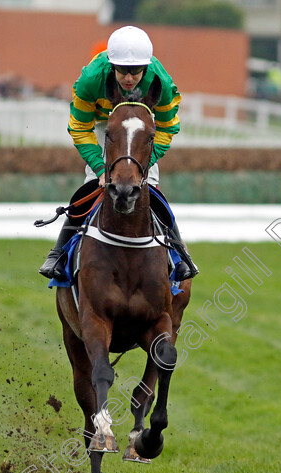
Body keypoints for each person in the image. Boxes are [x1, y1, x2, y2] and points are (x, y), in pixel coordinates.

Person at [39, 25, 199, 282]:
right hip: (107, 126)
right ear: (111, 64)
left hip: (141, 130)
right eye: (122, 70)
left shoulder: (162, 83)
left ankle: (179, 254)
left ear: (146, 68)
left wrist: (143, 163)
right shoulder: (91, 78)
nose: (128, 77)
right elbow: (80, 127)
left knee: (152, 189)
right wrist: (101, 170)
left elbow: (169, 127)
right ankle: (58, 253)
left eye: (135, 71)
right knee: (92, 185)